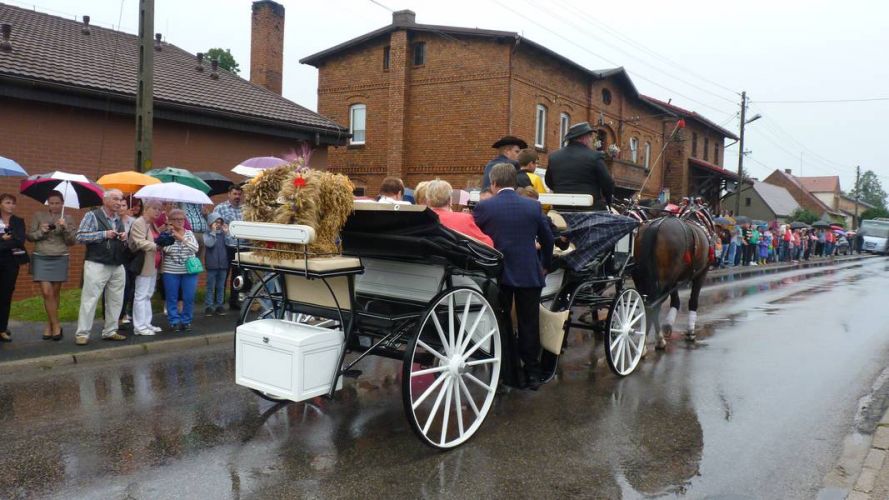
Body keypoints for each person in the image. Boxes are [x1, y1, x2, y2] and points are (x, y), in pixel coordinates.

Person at [474, 163, 554, 390]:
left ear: (494, 183)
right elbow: (548, 240)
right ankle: (532, 374)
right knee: (529, 322)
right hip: (528, 271)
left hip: (497, 274)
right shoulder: (533, 207)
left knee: (501, 322)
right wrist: (545, 265)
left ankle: (506, 373)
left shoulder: (484, 208)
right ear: (514, 182)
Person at [74, 189, 128, 345]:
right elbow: (80, 236)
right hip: (97, 262)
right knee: (90, 299)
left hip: (117, 263)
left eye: (120, 199)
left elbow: (119, 240)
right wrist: (104, 234)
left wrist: (123, 237)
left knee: (116, 299)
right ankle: (82, 333)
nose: (119, 203)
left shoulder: (118, 218)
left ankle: (110, 331)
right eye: (115, 199)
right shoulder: (92, 215)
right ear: (105, 200)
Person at [26, 191, 75, 340]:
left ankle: (50, 325)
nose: (54, 206)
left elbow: (72, 241)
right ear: (48, 203)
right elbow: (30, 237)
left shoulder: (68, 218)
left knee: (54, 293)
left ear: (62, 204)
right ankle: (57, 325)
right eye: (51, 203)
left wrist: (65, 227)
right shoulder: (38, 216)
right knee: (47, 293)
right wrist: (41, 231)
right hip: (42, 256)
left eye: (57, 203)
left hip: (60, 256)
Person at [545, 122, 615, 210]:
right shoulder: (595, 156)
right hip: (589, 209)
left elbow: (549, 182)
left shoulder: (554, 157)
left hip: (561, 209)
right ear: (583, 138)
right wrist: (608, 201)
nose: (591, 139)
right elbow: (608, 183)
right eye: (590, 136)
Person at [161, 209, 199, 331]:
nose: (179, 221)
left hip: (189, 270)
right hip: (171, 270)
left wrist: (180, 238)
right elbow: (168, 250)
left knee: (189, 296)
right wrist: (174, 237)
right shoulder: (166, 234)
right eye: (176, 219)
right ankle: (174, 321)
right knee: (172, 296)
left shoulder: (189, 233)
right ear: (170, 221)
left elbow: (195, 248)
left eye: (181, 219)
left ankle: (186, 320)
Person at [129, 200, 163, 336]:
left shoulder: (153, 224)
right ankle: (139, 327)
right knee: (141, 295)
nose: (157, 212)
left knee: (148, 294)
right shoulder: (139, 222)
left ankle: (146, 323)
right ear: (146, 208)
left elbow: (157, 239)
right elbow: (139, 242)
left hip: (153, 264)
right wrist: (157, 246)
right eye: (154, 208)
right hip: (144, 263)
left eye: (159, 209)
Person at [425, 180, 493, 246]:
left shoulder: (419, 218)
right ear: (450, 200)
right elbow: (488, 243)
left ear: (427, 201)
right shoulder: (463, 219)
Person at [0, 194, 27, 343]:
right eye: (7, 202)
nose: (11, 205)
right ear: (0, 204)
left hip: (11, 262)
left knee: (5, 295)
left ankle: (2, 328)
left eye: (13, 203)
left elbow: (19, 240)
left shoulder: (18, 221)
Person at [213, 184, 243, 310]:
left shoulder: (244, 209)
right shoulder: (220, 208)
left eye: (239, 194)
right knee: (223, 274)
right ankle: (218, 302)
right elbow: (214, 225)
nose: (237, 197)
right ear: (229, 194)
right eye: (235, 194)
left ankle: (234, 301)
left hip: (241, 246)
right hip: (226, 246)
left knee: (238, 276)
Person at [203, 212, 229, 316]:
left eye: (220, 222)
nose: (218, 224)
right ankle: (209, 306)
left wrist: (227, 233)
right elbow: (209, 244)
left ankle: (219, 305)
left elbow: (230, 243)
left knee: (221, 286)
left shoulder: (223, 234)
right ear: (210, 223)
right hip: (212, 265)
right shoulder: (207, 234)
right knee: (210, 286)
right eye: (216, 222)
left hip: (223, 264)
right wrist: (213, 232)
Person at [117, 197, 136, 326]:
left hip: (131, 256)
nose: (121, 208)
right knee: (121, 287)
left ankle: (125, 313)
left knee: (129, 287)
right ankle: (117, 316)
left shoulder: (132, 221)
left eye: (124, 205)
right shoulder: (113, 221)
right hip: (118, 256)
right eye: (119, 205)